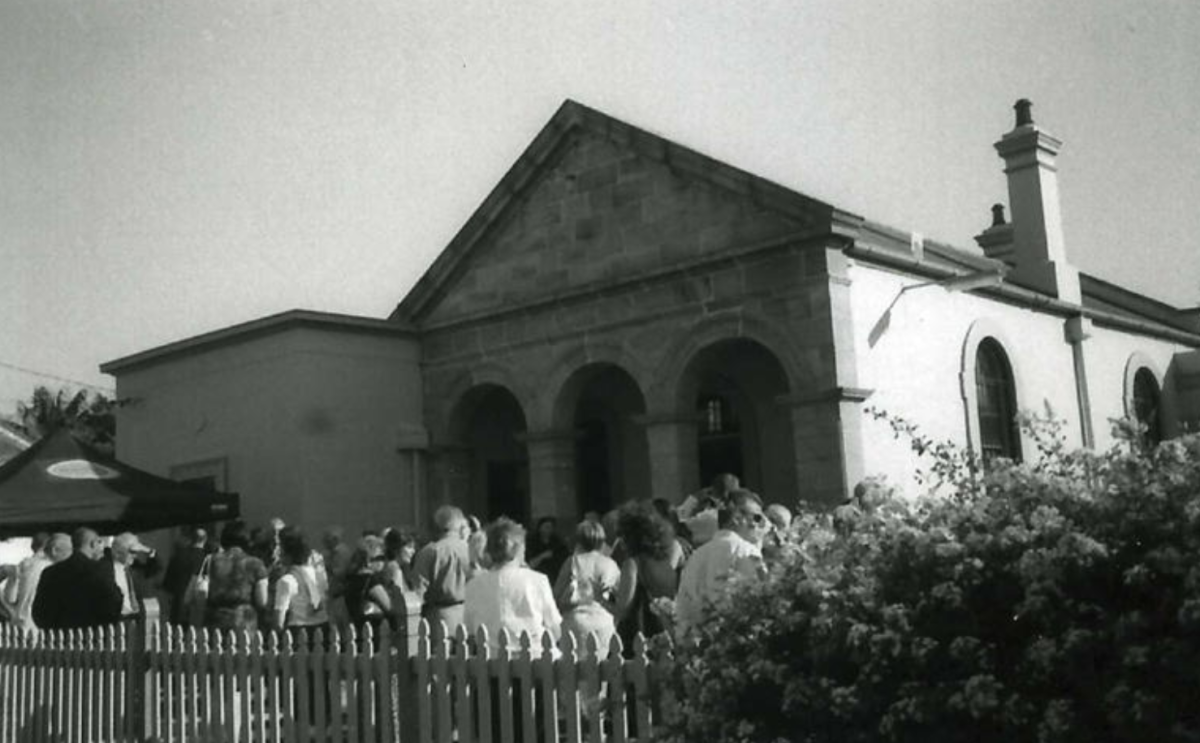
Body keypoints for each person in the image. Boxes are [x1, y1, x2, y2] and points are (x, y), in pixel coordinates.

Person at [674, 490, 770, 638]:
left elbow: (681, 606)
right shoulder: (747, 551)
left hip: (696, 643)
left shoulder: (696, 556)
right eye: (757, 517)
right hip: (737, 641)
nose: (760, 525)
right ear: (737, 518)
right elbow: (763, 598)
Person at [464, 517, 561, 656]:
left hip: (491, 662)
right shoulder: (537, 580)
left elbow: (469, 630)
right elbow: (555, 629)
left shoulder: (473, 585)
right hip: (535, 661)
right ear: (519, 549)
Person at [613, 501, 686, 649]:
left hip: (641, 635)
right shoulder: (670, 557)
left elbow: (623, 610)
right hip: (671, 630)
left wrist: (599, 599)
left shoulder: (633, 564)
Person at [33, 527, 122, 630]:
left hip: (57, 638)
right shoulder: (99, 570)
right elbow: (113, 603)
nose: (102, 548)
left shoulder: (49, 573)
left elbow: (38, 613)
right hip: (93, 635)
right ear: (93, 544)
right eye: (99, 542)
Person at [554, 520, 620, 656]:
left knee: (573, 672)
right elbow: (619, 595)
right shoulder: (610, 563)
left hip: (576, 619)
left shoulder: (573, 561)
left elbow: (556, 593)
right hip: (603, 619)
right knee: (601, 671)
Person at [411, 505, 471, 640]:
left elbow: (418, 590)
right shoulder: (470, 550)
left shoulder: (429, 552)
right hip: (468, 615)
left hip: (438, 617)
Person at [204, 520, 270, 631]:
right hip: (244, 621)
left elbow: (202, 591)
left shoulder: (211, 560)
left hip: (216, 619)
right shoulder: (256, 563)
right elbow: (262, 601)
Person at [272, 526, 329, 640]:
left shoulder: (286, 581)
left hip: (298, 632)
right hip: (322, 628)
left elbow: (279, 621)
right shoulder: (319, 575)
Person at [98, 532, 156, 621]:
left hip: (135, 618)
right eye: (132, 552)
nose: (135, 556)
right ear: (118, 553)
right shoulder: (104, 568)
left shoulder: (134, 566)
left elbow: (156, 568)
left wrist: (148, 550)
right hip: (114, 621)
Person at [6, 533, 57, 632]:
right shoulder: (50, 567)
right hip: (38, 623)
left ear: (32, 547)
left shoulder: (21, 566)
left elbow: (10, 598)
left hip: (17, 621)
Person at [345, 535, 391, 638]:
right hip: (375, 633)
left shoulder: (352, 578)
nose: (383, 562)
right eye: (379, 558)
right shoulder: (370, 580)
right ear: (368, 561)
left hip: (357, 632)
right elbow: (389, 607)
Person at [163, 526, 209, 625]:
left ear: (191, 538)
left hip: (179, 605)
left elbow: (168, 584)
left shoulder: (178, 556)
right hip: (200, 607)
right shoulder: (208, 560)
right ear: (205, 539)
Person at [322, 526, 353, 628]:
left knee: (342, 627)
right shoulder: (328, 554)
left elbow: (341, 573)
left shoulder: (342, 552)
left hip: (340, 596)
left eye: (327, 540)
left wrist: (327, 567)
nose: (324, 542)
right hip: (332, 596)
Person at [526, 516, 568, 582]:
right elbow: (529, 564)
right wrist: (542, 556)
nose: (549, 530)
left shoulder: (558, 543)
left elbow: (565, 562)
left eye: (551, 527)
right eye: (546, 527)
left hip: (554, 577)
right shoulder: (532, 543)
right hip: (536, 577)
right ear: (540, 528)